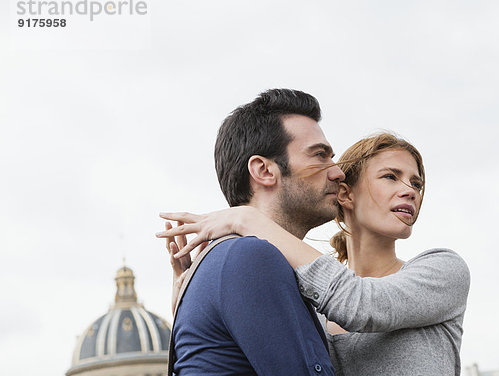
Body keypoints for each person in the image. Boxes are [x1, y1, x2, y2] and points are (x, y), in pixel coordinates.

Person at [162, 132, 470, 375]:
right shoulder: (311, 304)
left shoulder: (443, 270)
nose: (410, 190)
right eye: (391, 176)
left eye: (416, 183)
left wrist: (247, 219)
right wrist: (189, 302)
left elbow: (361, 304)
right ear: (346, 193)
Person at [157, 89, 342, 375]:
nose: (337, 172)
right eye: (319, 156)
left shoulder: (233, 257)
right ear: (264, 170)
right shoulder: (249, 256)